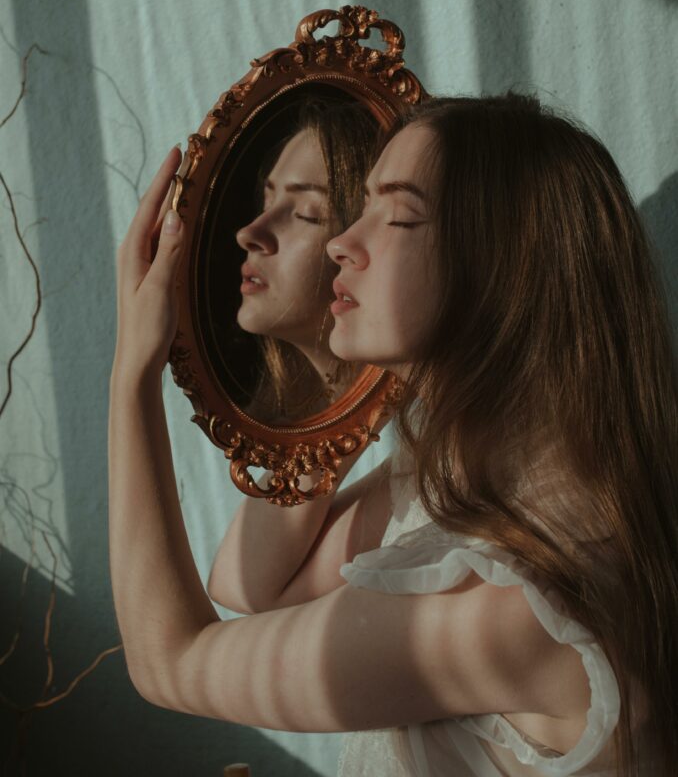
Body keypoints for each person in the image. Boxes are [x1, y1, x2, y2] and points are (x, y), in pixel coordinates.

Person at [109, 92, 677, 776]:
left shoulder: (505, 602)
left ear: (500, 271)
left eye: (398, 216)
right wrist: (335, 375)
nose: (344, 243)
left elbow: (169, 662)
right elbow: (253, 585)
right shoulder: (479, 479)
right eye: (360, 207)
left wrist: (130, 375)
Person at [233, 93, 379, 423]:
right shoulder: (273, 436)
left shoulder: (402, 449)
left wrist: (134, 370)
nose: (249, 233)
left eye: (306, 214)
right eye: (267, 204)